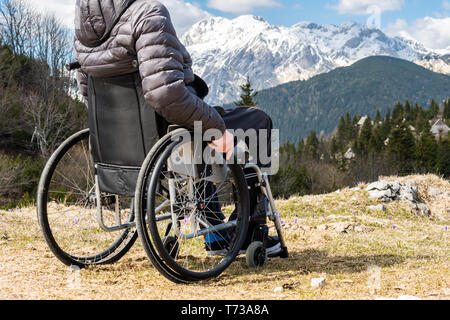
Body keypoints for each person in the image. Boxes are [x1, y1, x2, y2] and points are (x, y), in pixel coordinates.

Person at [74, 0, 281, 256]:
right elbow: (166, 95)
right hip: (165, 130)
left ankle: (216, 231)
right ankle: (249, 227)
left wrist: (114, 120)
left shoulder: (85, 24)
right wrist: (215, 128)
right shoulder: (148, 13)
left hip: (121, 141)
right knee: (258, 121)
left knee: (192, 138)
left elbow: (87, 89)